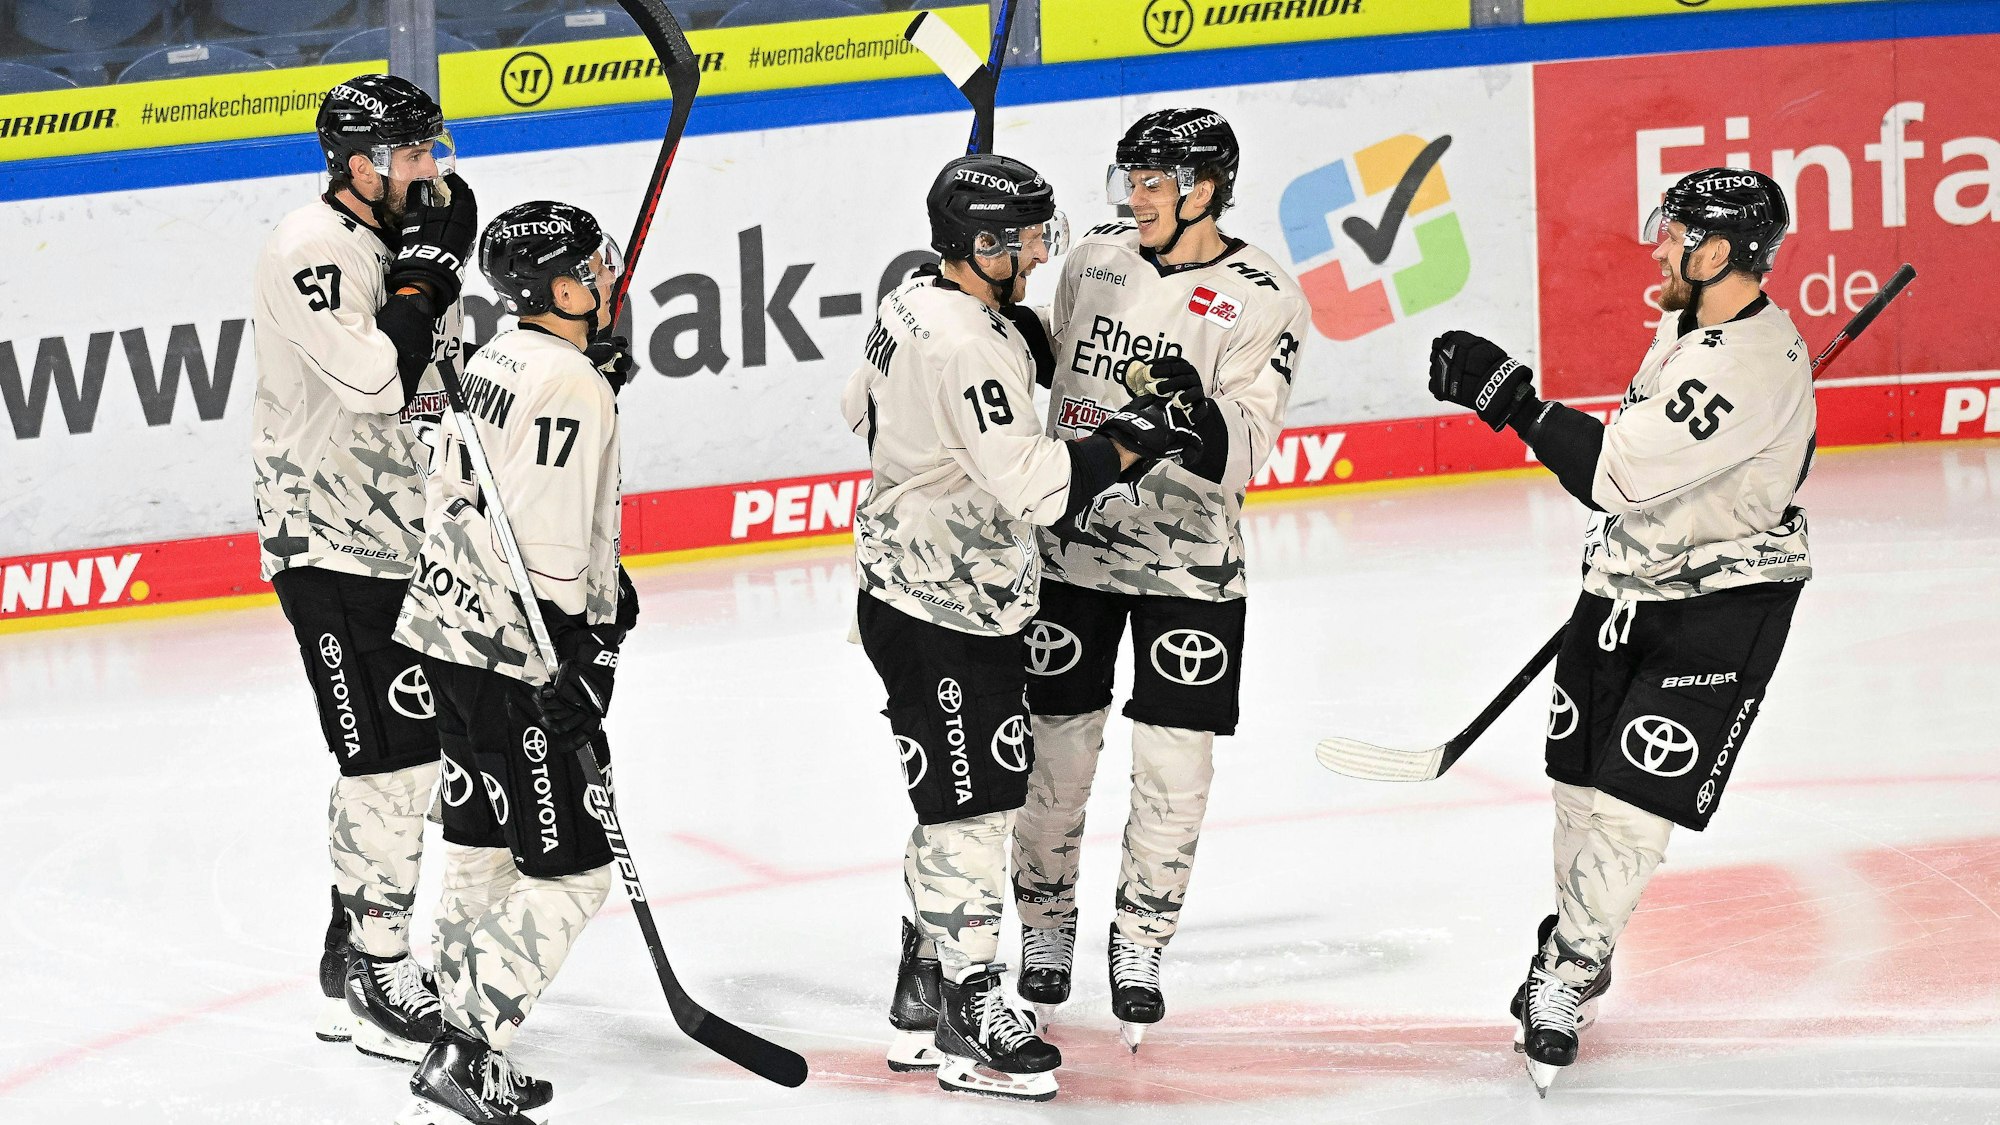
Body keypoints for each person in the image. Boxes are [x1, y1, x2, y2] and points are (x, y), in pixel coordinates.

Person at [1424, 168, 1811, 1096]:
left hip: (1721, 608)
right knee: (1578, 783)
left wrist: (1509, 398)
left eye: (1671, 232)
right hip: (1629, 585)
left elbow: (1615, 477)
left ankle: (1567, 971)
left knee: (1634, 805)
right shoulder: (1693, 327)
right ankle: (1577, 945)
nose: (1656, 244)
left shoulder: (1741, 361)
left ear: (1715, 252)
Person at [843, 153, 1201, 1102]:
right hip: (947, 603)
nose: (1047, 246)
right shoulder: (965, 343)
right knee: (975, 806)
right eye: (1032, 234)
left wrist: (1007, 332)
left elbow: (856, 406)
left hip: (911, 584)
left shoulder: (913, 299)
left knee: (954, 801)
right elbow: (1042, 488)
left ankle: (922, 994)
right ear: (986, 245)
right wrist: (1138, 436)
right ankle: (969, 1007)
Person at [1005, 108, 1311, 1050]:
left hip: (1191, 566)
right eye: (1127, 177)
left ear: (1203, 190)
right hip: (1073, 550)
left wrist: (1195, 417)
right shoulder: (1094, 255)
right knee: (1054, 758)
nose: (1131, 197)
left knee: (1175, 768)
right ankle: (1046, 920)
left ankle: (1139, 939)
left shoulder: (1264, 295)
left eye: (1152, 181)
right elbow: (1051, 366)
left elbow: (1246, 446)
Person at [390, 201, 636, 1124]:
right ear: (562, 287)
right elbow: (546, 532)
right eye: (594, 266)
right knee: (573, 866)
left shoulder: (495, 355)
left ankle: (459, 1024)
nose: (610, 276)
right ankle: (469, 1047)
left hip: (445, 631)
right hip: (514, 649)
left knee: (484, 842)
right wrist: (579, 654)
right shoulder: (573, 383)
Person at [251, 73, 475, 1063]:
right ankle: (381, 967)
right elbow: (375, 381)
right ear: (359, 166)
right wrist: (424, 281)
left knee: (412, 753)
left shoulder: (395, 244)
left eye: (437, 149)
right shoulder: (314, 248)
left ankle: (353, 946)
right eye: (414, 154)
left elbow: (437, 390)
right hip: (329, 541)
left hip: (405, 539)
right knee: (389, 758)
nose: (435, 170)